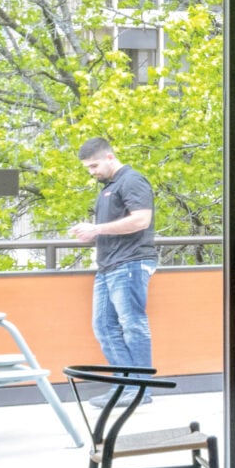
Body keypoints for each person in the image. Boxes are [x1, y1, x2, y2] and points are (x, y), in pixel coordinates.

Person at [69, 137, 156, 370]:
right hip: (108, 266)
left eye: (94, 166)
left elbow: (141, 220)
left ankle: (139, 385)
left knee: (133, 325)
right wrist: (91, 233)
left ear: (110, 157)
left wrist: (96, 229)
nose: (91, 172)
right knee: (104, 327)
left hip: (130, 263)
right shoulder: (109, 188)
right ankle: (126, 383)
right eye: (88, 168)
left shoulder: (132, 180)